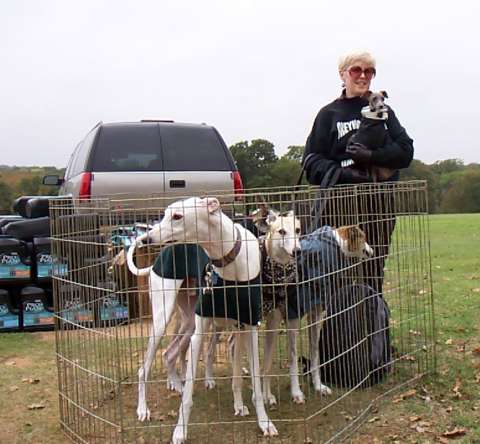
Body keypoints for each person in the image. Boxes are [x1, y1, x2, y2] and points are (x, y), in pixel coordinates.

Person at [302, 50, 414, 297]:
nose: (363, 76)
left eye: (369, 71)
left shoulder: (383, 110)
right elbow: (311, 162)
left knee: (372, 270)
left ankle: (372, 327)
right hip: (339, 207)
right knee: (337, 274)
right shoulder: (328, 115)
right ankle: (340, 333)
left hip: (378, 204)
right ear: (343, 74)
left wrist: (372, 157)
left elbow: (406, 151)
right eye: (356, 70)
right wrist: (344, 175)